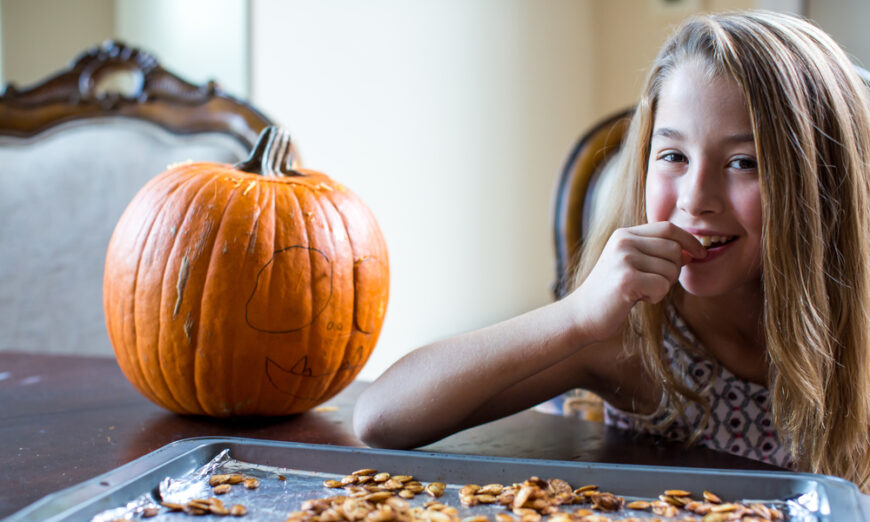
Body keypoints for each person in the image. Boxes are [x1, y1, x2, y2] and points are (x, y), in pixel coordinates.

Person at [353, 10, 870, 491]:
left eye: (743, 162)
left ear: (827, 182)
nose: (695, 198)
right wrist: (577, 317)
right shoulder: (636, 336)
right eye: (673, 156)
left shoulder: (858, 335)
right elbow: (380, 418)